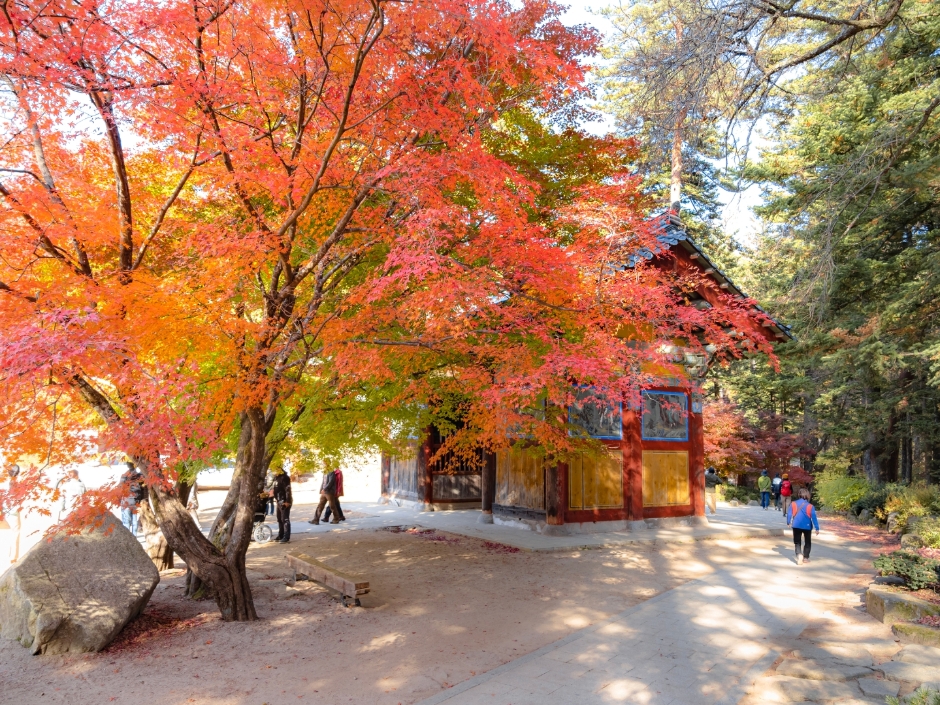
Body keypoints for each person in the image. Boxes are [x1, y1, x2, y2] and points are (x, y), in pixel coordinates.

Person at [787, 488, 820, 565]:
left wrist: (788, 522)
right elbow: (814, 518)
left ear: (799, 494)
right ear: (807, 495)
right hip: (807, 526)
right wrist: (817, 528)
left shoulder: (793, 503)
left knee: (797, 542)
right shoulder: (810, 506)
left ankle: (799, 554)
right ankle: (805, 558)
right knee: (807, 542)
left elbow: (789, 514)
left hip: (796, 525)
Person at [119, 461, 147, 535]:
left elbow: (119, 489)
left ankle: (128, 540)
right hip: (135, 502)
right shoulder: (140, 476)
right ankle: (135, 540)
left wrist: (119, 501)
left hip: (125, 502)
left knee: (126, 523)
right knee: (134, 523)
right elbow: (144, 490)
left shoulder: (124, 476)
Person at [3, 464, 22, 565]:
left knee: (12, 532)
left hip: (6, 510)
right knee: (15, 533)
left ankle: (11, 555)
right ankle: (13, 557)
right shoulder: (14, 483)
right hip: (13, 512)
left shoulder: (5, 482)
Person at [271, 464, 293, 543]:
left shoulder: (285, 478)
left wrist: (287, 501)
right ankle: (281, 534)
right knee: (279, 519)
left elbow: (288, 490)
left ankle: (286, 537)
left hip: (284, 501)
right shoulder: (276, 478)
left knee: (285, 519)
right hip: (278, 500)